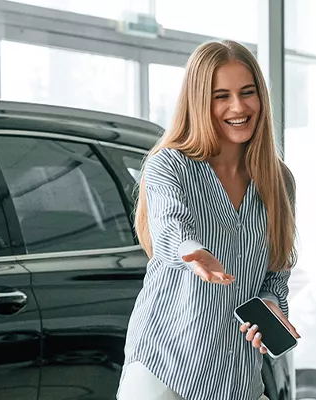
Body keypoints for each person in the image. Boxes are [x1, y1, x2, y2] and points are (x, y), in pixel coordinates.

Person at [121, 39, 300, 400]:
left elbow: (276, 271)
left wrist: (269, 303)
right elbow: (169, 225)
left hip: (237, 379)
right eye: (222, 96)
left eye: (247, 92)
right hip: (165, 370)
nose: (238, 106)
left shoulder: (279, 181)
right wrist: (192, 251)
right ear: (200, 101)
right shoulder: (169, 165)